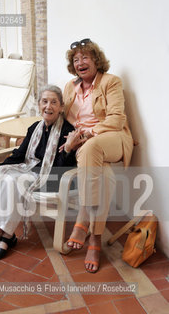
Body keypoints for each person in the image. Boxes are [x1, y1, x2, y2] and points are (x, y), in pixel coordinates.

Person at [0, 85, 76, 263]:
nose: (48, 106)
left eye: (53, 102)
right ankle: (6, 235)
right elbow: (20, 155)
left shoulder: (67, 132)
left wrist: (67, 149)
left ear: (61, 107)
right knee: (3, 176)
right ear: (39, 104)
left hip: (51, 178)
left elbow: (60, 169)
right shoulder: (35, 127)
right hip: (30, 170)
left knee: (12, 181)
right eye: (44, 101)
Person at [62, 38, 133, 273]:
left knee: (92, 148)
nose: (80, 62)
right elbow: (64, 118)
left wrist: (91, 132)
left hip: (110, 136)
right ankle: (95, 238)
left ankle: (82, 221)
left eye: (85, 57)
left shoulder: (111, 82)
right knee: (104, 175)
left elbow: (116, 118)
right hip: (85, 145)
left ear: (96, 60)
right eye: (76, 59)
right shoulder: (69, 87)